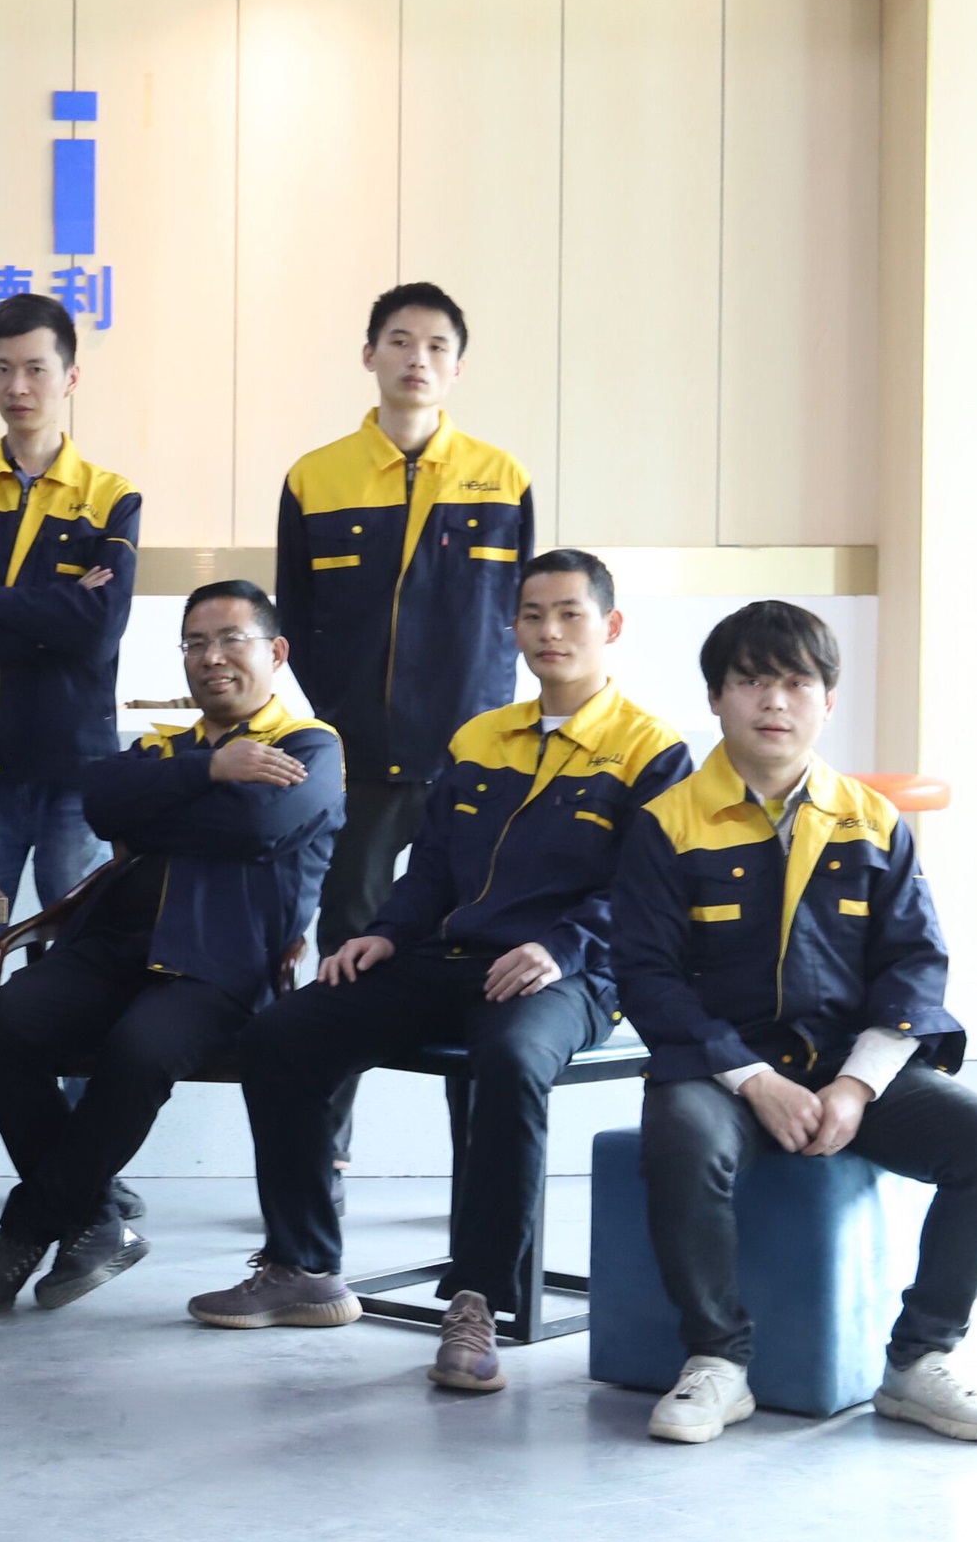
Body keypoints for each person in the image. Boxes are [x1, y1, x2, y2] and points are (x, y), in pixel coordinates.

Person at [201, 550, 691, 1388]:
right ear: (513, 630)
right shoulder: (480, 737)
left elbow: (648, 892)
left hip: (571, 974)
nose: (548, 631)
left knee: (511, 1058)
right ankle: (301, 1266)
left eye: (569, 614)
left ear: (610, 627)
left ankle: (477, 1300)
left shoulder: (652, 750)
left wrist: (560, 947)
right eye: (532, 615)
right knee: (282, 1034)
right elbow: (430, 867)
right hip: (449, 958)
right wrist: (387, 933)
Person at [615, 602, 977, 1446]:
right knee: (681, 1140)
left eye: (797, 682)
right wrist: (753, 1079)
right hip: (720, 1068)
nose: (775, 701)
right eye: (751, 681)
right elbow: (649, 978)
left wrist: (856, 1084)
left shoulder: (872, 821)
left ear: (828, 701)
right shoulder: (666, 823)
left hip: (847, 1065)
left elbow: (914, 965)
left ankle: (919, 1362)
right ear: (716, 698)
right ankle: (717, 1360)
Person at [0, 582, 343, 1315]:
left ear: (276, 652)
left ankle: (29, 1227)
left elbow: (256, 828)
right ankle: (96, 1222)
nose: (211, 657)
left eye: (230, 639)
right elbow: (103, 802)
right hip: (115, 948)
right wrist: (209, 771)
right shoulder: (169, 747)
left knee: (138, 1050)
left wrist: (156, 813)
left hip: (222, 964)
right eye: (196, 643)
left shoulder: (310, 745)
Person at [276, 283, 534, 1179]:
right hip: (359, 763)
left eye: (435, 345)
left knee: (479, 949)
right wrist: (348, 720)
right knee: (348, 947)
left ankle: (478, 1167)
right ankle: (325, 1155)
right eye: (398, 340)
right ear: (369, 355)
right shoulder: (316, 477)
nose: (416, 358)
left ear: (456, 367)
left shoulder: (502, 478)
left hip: (475, 768)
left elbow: (517, 618)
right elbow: (298, 619)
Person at [0, 291, 140, 1218]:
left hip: (81, 775)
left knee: (90, 971)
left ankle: (89, 1165)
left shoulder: (110, 495)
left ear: (70, 377)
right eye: (2, 368)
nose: (18, 385)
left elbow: (99, 628)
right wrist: (48, 604)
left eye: (36, 368)